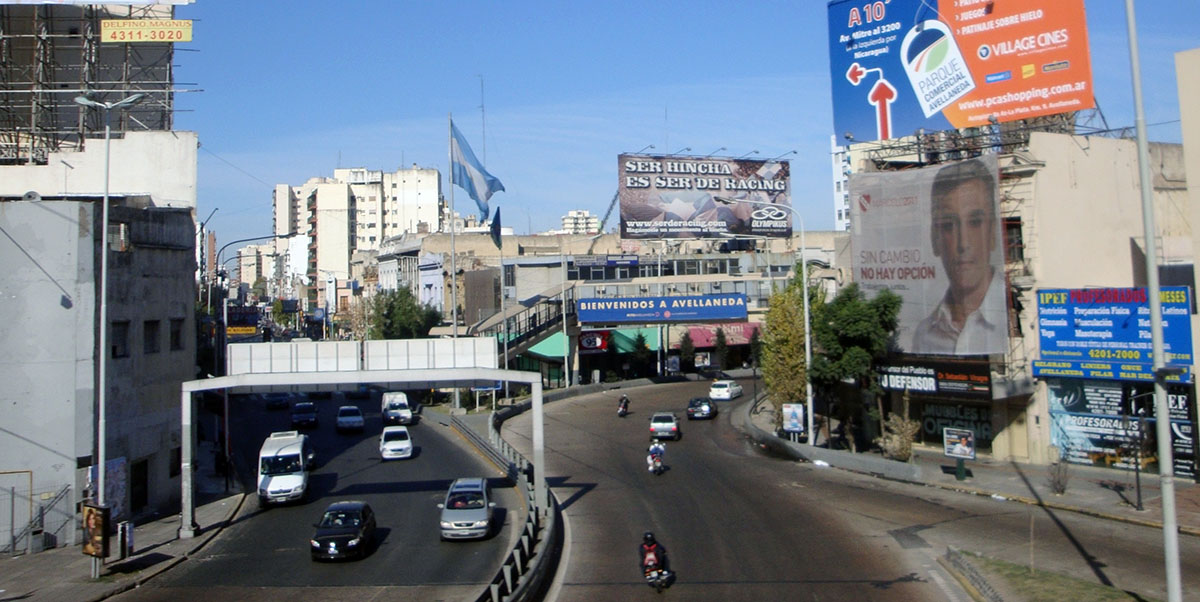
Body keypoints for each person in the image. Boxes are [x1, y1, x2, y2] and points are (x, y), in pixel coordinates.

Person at [911, 158, 1008, 355]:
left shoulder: (1010, 314)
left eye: (975, 222)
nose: (963, 243)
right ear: (934, 238)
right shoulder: (924, 333)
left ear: (992, 233)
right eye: (948, 225)